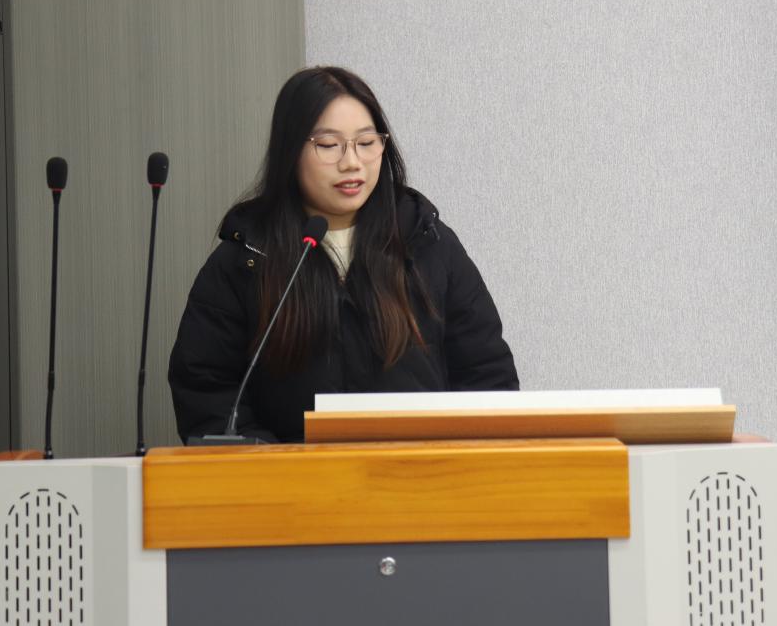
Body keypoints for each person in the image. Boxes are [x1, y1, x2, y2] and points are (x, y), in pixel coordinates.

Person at [168, 66, 518, 443]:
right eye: (328, 145)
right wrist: (274, 465)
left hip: (418, 475)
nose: (351, 162)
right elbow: (208, 392)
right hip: (291, 478)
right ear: (290, 151)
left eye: (366, 142)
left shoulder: (426, 243)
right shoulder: (248, 259)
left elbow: (488, 378)